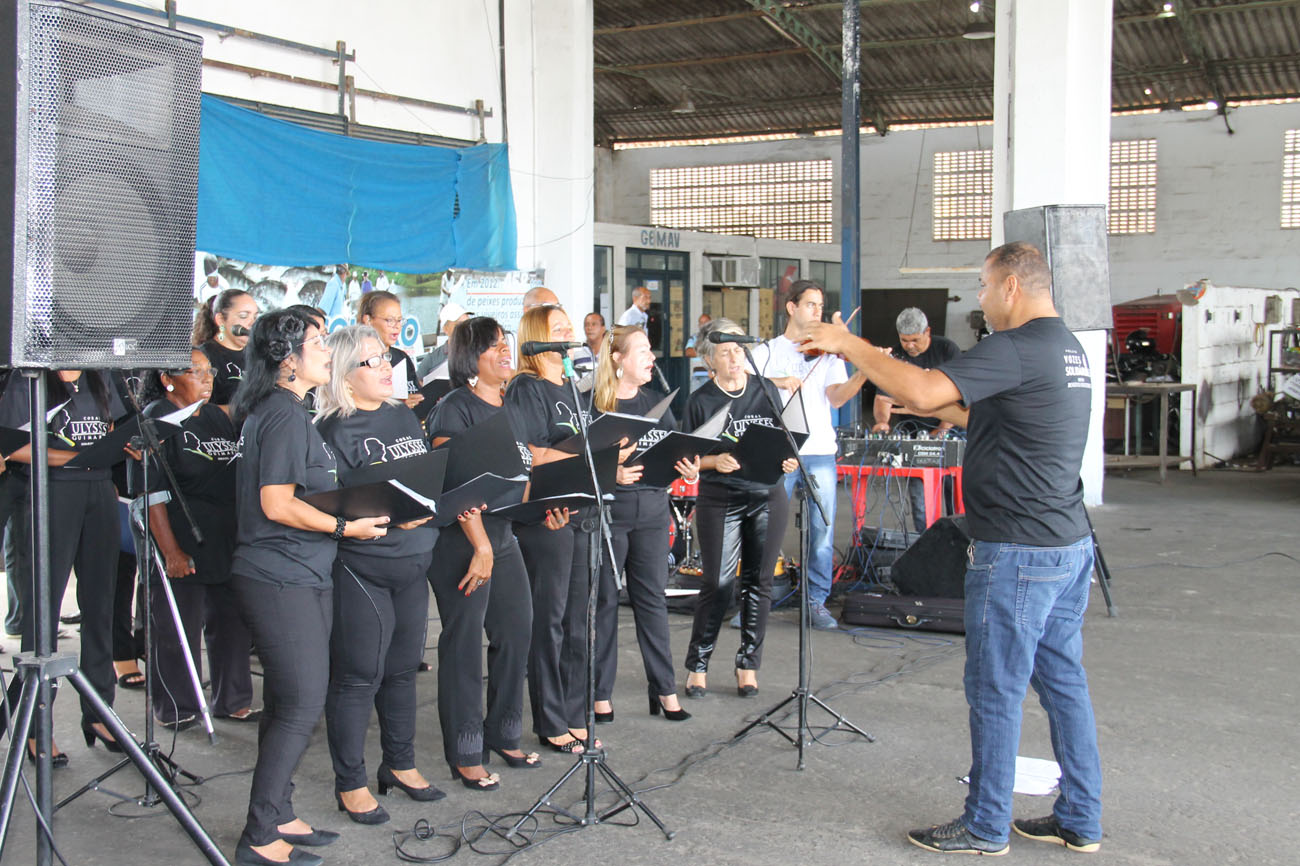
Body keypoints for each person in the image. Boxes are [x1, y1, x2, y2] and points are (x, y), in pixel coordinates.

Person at [802, 242, 1102, 856]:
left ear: (1012, 286)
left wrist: (849, 344)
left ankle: (986, 825)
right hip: (1065, 543)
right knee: (1063, 684)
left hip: (1018, 550)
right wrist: (912, 391)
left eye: (986, 287)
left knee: (995, 688)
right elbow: (985, 417)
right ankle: (1081, 817)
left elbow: (922, 389)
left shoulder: (1014, 346)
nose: (982, 300)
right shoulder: (1065, 347)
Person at [228, 309, 389, 866]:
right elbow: (276, 504)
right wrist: (346, 527)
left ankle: (279, 813)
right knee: (300, 704)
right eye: (318, 342)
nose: (327, 351)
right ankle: (258, 836)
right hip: (279, 575)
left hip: (304, 571)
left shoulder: (292, 412)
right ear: (287, 359)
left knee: (287, 701)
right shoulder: (282, 415)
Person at [315, 326, 444, 824]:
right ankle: (350, 783)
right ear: (345, 375)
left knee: (402, 670)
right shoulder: (330, 430)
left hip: (414, 560)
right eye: (372, 361)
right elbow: (326, 506)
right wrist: (392, 517)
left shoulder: (402, 415)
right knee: (358, 677)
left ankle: (400, 764)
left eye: (386, 357)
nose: (387, 367)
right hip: (362, 567)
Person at [426, 317, 549, 790]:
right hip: (463, 540)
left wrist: (543, 511)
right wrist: (479, 545)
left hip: (503, 535)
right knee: (463, 645)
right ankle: (466, 751)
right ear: (469, 356)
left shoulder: (511, 405)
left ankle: (504, 733)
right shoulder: (454, 409)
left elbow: (521, 472)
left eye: (505, 343)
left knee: (516, 631)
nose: (504, 351)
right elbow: (455, 480)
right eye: (492, 346)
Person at [0, 370, 132, 763]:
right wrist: (78, 458)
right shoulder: (29, 378)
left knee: (101, 606)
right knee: (43, 614)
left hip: (99, 489)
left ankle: (99, 712)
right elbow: (13, 446)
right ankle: (36, 725)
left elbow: (112, 428)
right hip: (52, 489)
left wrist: (109, 453)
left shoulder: (99, 376)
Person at [681, 319, 797, 698]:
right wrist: (714, 462)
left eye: (738, 350)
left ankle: (748, 664)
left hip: (767, 494)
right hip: (721, 497)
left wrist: (788, 459)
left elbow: (784, 439)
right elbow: (686, 458)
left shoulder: (765, 390)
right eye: (725, 352)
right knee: (717, 582)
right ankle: (698, 664)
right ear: (709, 361)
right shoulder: (700, 401)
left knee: (759, 582)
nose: (734, 358)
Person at [141, 350, 255, 730]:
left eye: (210, 371)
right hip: (181, 536)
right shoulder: (157, 419)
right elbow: (151, 492)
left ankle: (232, 699)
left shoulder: (214, 417)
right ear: (167, 379)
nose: (207, 379)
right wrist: (171, 550)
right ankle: (178, 706)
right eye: (195, 372)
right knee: (177, 628)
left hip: (224, 535)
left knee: (232, 621)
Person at [591, 326, 695, 722]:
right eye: (643, 351)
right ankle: (600, 693)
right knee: (605, 601)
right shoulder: (594, 404)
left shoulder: (655, 402)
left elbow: (674, 448)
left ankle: (664, 689)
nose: (652, 358)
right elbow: (577, 459)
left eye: (651, 351)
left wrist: (688, 466)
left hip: (652, 509)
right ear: (617, 359)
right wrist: (611, 471)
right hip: (610, 512)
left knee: (652, 599)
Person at [751, 281, 867, 630]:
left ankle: (816, 600)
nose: (818, 311)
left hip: (819, 450)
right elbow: (743, 386)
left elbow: (837, 398)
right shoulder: (768, 351)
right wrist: (777, 381)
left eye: (820, 306)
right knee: (765, 529)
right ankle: (755, 601)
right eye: (811, 305)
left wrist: (864, 372)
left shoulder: (828, 353)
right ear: (792, 307)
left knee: (822, 533)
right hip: (779, 449)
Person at [505, 306, 593, 754]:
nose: (568, 333)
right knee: (550, 622)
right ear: (537, 336)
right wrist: (588, 458)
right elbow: (529, 452)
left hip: (582, 512)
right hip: (546, 517)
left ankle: (576, 714)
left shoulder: (574, 387)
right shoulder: (527, 387)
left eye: (567, 326)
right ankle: (551, 720)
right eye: (557, 328)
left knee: (578, 622)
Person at [872, 307, 962, 533]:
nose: (910, 346)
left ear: (927, 332)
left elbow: (961, 395)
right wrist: (882, 421)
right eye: (904, 340)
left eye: (915, 340)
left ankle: (960, 542)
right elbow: (882, 398)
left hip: (952, 432)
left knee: (955, 495)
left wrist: (942, 429)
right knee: (919, 499)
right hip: (914, 436)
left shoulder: (947, 350)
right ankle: (925, 541)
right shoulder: (894, 357)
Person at [358, 291, 424, 412]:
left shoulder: (402, 357)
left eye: (399, 320)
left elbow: (416, 394)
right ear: (368, 320)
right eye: (390, 320)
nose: (397, 326)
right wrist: (396, 405)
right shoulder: (356, 360)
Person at [195, 289, 260, 406]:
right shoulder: (204, 356)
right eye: (243, 316)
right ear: (220, 320)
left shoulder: (258, 354)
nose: (252, 323)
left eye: (255, 317)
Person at [683, 313, 712, 392]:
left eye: (705, 322)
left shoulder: (715, 338)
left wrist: (697, 350)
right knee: (695, 399)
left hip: (713, 377)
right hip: (697, 378)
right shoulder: (694, 337)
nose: (703, 325)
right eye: (701, 322)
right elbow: (688, 352)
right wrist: (705, 352)